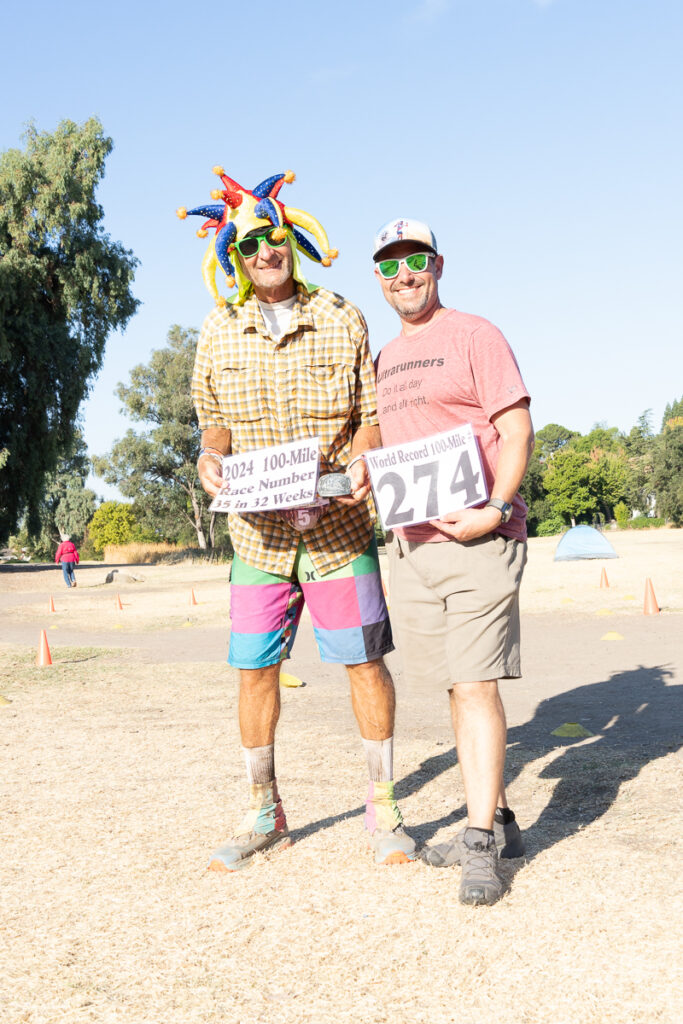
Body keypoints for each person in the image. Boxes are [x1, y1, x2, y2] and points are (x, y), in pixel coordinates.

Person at [182, 167, 416, 871]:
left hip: (340, 533)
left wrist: (365, 459)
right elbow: (212, 427)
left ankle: (384, 809)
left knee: (363, 664)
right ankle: (264, 812)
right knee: (254, 672)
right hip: (258, 537)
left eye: (274, 238)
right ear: (234, 254)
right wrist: (207, 461)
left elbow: (370, 417)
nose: (265, 252)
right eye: (250, 244)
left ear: (292, 240)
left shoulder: (343, 315)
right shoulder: (217, 329)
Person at [371, 218, 535, 905]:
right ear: (377, 279)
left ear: (437, 264)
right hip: (411, 549)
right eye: (388, 266)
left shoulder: (474, 333)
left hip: (478, 539)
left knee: (474, 685)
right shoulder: (380, 358)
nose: (403, 275)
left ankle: (476, 848)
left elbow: (516, 424)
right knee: (450, 686)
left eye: (414, 260)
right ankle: (495, 815)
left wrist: (495, 510)